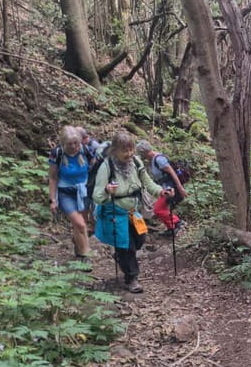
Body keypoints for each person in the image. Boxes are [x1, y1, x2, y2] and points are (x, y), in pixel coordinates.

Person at [93, 132, 174, 293]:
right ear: (115, 150)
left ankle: (121, 257)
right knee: (127, 245)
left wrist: (161, 192)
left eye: (131, 149)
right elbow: (97, 195)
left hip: (133, 211)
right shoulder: (106, 167)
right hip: (115, 212)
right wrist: (107, 190)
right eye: (125, 150)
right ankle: (131, 278)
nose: (129, 154)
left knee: (139, 238)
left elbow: (147, 182)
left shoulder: (136, 162)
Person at [48, 125, 95, 265]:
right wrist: (52, 199)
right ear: (63, 143)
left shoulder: (85, 150)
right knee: (80, 224)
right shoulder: (57, 153)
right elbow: (53, 177)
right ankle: (86, 256)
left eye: (76, 143)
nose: (74, 146)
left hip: (84, 191)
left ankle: (78, 247)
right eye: (70, 144)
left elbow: (95, 168)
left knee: (81, 224)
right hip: (65, 193)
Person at [135, 140, 187, 236]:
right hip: (163, 189)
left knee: (158, 209)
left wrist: (180, 188)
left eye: (141, 154)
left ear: (144, 152)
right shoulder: (152, 160)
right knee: (162, 208)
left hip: (170, 189)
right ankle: (171, 228)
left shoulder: (159, 160)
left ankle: (177, 222)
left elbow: (172, 173)